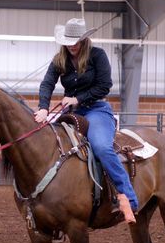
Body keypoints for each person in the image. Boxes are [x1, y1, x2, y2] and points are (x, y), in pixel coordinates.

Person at [34, 17, 139, 224]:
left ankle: (129, 199)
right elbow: (47, 84)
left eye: (76, 41)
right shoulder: (59, 59)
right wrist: (43, 108)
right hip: (72, 112)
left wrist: (77, 98)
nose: (72, 45)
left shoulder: (97, 56)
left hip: (97, 110)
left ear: (83, 40)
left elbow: (104, 85)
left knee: (101, 147)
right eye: (68, 41)